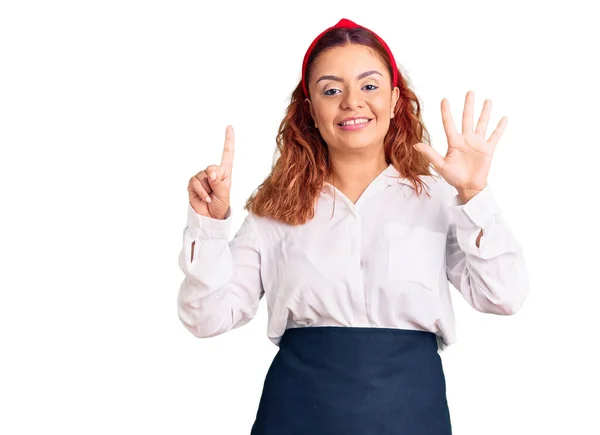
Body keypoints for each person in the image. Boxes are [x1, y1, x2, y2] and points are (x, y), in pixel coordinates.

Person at [177, 18, 529, 435]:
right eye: (331, 90)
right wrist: (210, 225)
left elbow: (503, 297)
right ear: (310, 107)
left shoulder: (439, 199)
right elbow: (206, 318)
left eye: (369, 86)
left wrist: (474, 194)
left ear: (396, 99)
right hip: (296, 417)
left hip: (412, 416)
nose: (351, 102)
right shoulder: (274, 209)